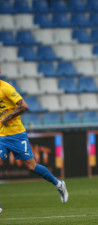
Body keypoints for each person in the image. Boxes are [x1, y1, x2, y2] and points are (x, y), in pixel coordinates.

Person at [0, 70, 68, 207]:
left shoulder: (6, 88)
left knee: (32, 166)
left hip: (17, 134)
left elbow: (24, 106)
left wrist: (7, 117)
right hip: (1, 136)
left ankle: (59, 184)